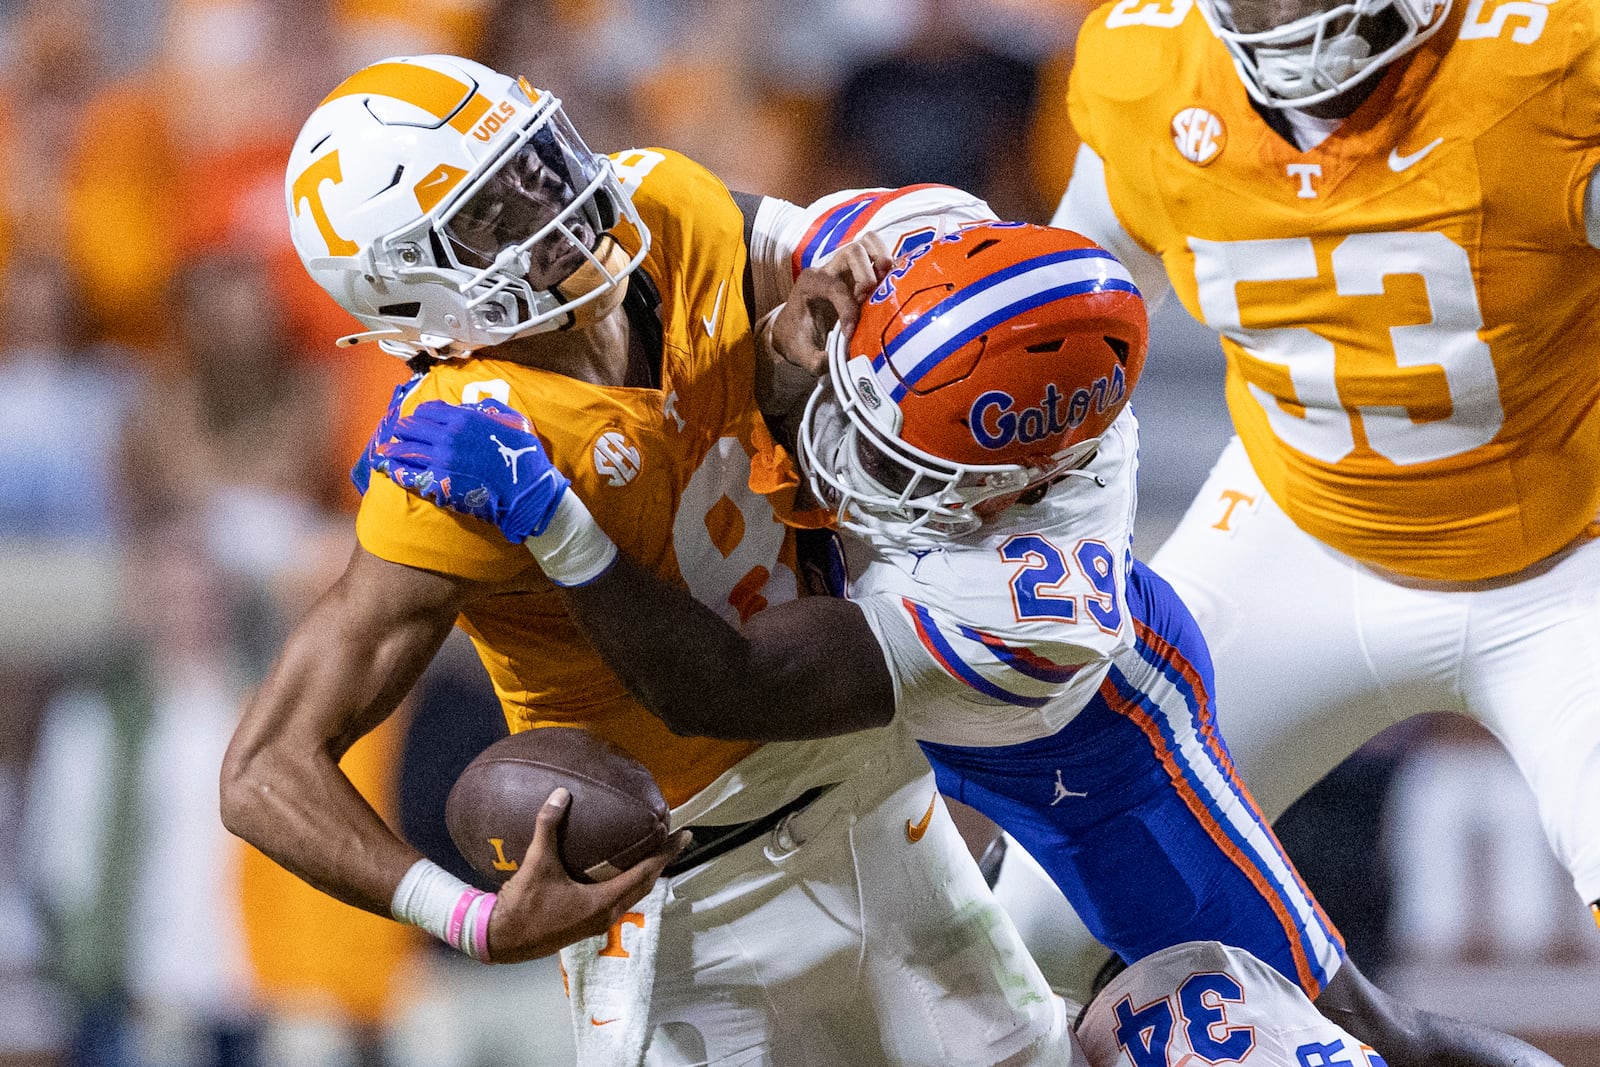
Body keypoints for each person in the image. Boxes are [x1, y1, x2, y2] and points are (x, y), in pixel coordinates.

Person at [371, 219, 1558, 1066]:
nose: (842, 450)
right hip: (880, 726)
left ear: (1003, 486)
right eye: (856, 406)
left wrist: (556, 521)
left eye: (895, 463)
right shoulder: (919, 247)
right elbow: (719, 234)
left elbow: (717, 684)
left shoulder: (1031, 611)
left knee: (1315, 1016)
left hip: (1081, 757)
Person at [219, 53, 1075, 1067]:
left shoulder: (665, 210)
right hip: (681, 896)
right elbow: (263, 770)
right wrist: (468, 918)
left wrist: (814, 320)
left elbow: (815, 283)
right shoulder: (457, 455)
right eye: (494, 212)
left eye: (533, 162)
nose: (556, 203)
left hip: (871, 794)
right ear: (414, 290)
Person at [1046, 0, 1600, 938]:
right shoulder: (1152, 68)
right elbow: (1066, 302)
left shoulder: (1546, 66)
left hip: (1571, 560)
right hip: (1298, 525)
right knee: (1037, 920)